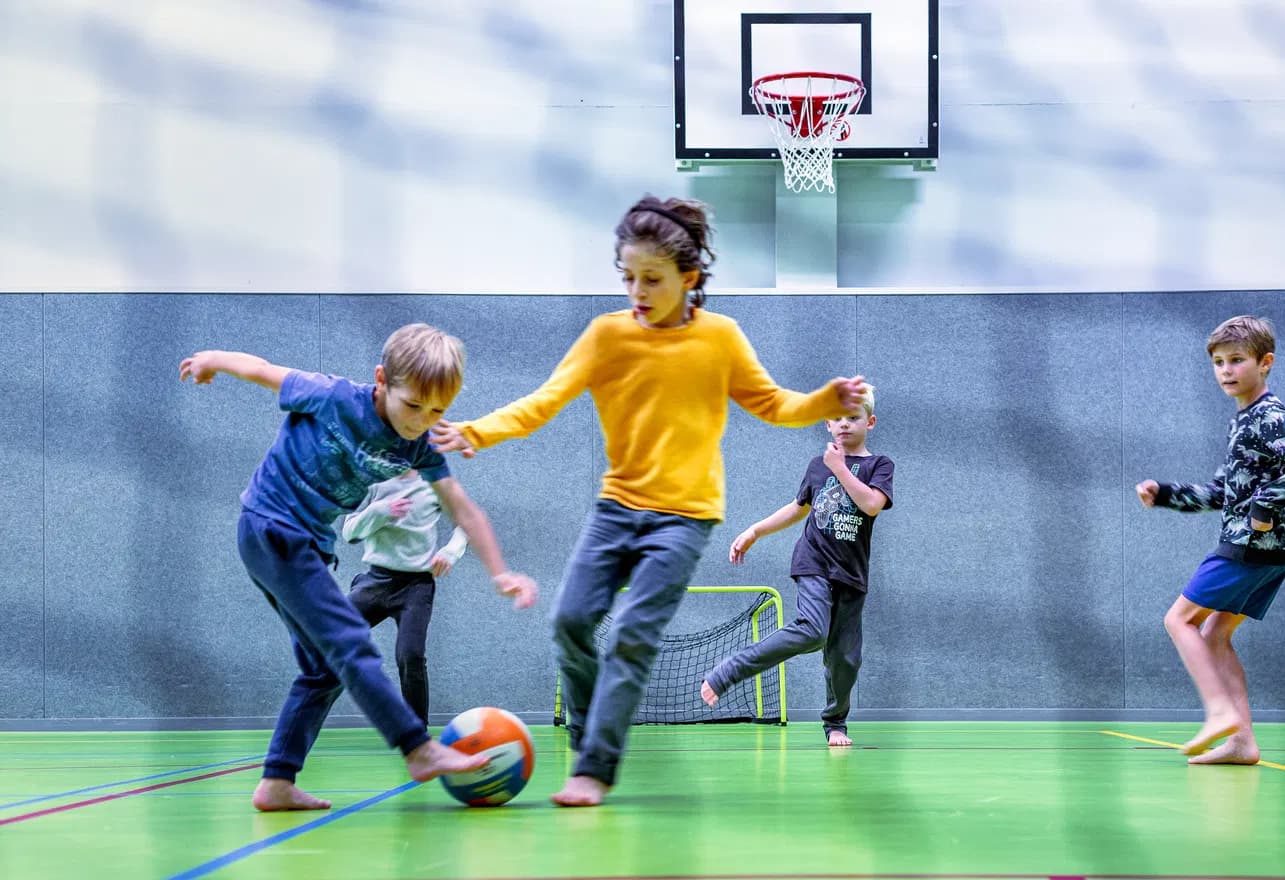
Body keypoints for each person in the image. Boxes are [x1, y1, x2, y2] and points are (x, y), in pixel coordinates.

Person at [431, 195, 866, 806]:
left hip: (685, 518)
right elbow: (544, 400)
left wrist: (826, 399)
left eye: (652, 279)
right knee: (570, 623)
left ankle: (595, 768)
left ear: (689, 279)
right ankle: (588, 736)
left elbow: (774, 405)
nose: (637, 290)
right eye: (628, 276)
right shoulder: (606, 336)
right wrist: (473, 432)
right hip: (617, 509)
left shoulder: (721, 339)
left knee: (635, 634)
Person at [179, 323, 538, 811]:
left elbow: (462, 507)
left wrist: (500, 572)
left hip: (302, 544)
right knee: (351, 641)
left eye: (437, 411)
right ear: (382, 381)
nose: (421, 421)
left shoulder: (419, 444)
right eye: (413, 406)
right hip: (272, 528)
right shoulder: (331, 397)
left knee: (322, 669)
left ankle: (277, 782)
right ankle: (417, 747)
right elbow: (262, 370)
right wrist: (212, 358)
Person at [1135, 315, 1285, 764]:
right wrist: (1165, 495)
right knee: (1215, 634)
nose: (1226, 370)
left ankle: (1219, 711)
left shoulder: (1269, 416)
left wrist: (1265, 507)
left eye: (1236, 360)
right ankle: (1242, 742)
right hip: (1270, 551)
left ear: (1265, 363)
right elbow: (1223, 492)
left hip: (1250, 546)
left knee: (1178, 621)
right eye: (1219, 362)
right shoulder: (1242, 422)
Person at [701, 385, 892, 748]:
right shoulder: (818, 467)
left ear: (870, 421)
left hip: (851, 574)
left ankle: (836, 723)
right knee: (812, 631)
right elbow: (799, 506)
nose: (845, 424)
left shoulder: (878, 466)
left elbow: (870, 505)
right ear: (827, 423)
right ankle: (730, 671)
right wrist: (755, 530)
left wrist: (841, 469)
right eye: (837, 418)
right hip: (814, 562)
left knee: (845, 659)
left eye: (853, 418)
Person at [342, 469, 471, 726]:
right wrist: (380, 511)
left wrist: (450, 552)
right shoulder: (369, 479)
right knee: (328, 640)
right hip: (375, 582)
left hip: (415, 587)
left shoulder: (434, 481)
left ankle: (418, 735)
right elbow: (349, 532)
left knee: (410, 655)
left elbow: (466, 523)